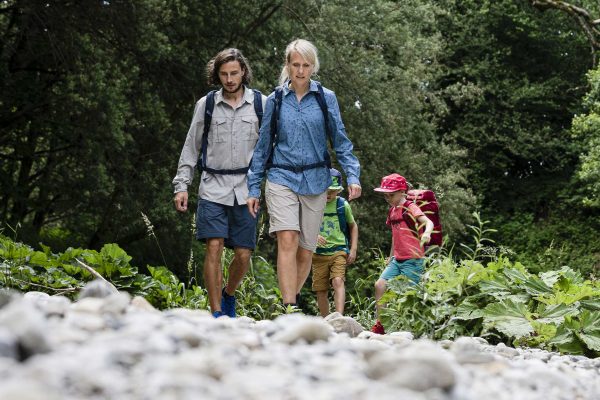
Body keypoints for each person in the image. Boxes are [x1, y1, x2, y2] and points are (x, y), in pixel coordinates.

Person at [246, 39, 361, 309]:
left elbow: (341, 141)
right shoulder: (275, 99)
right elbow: (262, 147)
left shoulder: (325, 99)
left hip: (316, 181)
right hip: (281, 177)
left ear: (313, 66)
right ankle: (289, 307)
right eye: (295, 64)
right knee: (288, 238)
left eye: (306, 65)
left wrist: (353, 176)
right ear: (288, 65)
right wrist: (253, 188)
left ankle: (292, 297)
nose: (300, 71)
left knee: (306, 249)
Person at [172, 48, 266, 318]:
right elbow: (191, 146)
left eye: (234, 73)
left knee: (244, 253)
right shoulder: (207, 105)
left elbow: (270, 147)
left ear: (243, 72)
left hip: (247, 189)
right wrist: (182, 185)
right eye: (223, 74)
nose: (229, 79)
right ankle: (216, 313)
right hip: (212, 185)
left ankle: (229, 294)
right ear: (217, 75)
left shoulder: (262, 103)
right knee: (213, 246)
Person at [370, 173, 434, 334]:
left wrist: (427, 233)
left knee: (411, 296)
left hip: (413, 259)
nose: (388, 199)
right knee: (380, 285)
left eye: (391, 195)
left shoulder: (410, 207)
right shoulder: (392, 211)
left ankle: (414, 329)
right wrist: (391, 255)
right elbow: (395, 235)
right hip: (397, 259)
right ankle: (381, 324)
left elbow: (428, 222)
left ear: (403, 192)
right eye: (386, 196)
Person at [312, 168, 358, 317]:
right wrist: (314, 235)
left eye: (333, 190)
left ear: (338, 190)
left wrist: (353, 249)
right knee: (320, 289)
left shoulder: (342, 205)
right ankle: (326, 321)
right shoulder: (313, 204)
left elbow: (353, 226)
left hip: (339, 250)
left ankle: (339, 317)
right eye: (326, 190)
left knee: (338, 281)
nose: (329, 194)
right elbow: (303, 224)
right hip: (317, 254)